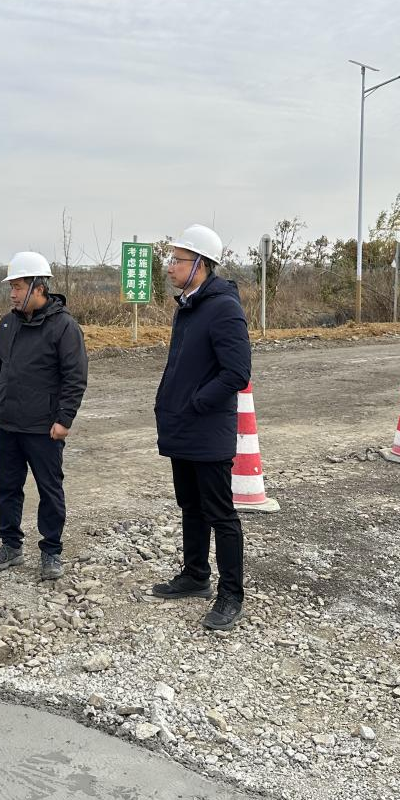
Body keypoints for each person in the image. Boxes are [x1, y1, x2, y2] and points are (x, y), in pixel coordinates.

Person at [149, 224, 252, 631]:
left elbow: (236, 373)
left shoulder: (223, 307)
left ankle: (231, 594)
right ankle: (195, 576)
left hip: (207, 430)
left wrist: (196, 403)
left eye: (178, 260)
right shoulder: (188, 306)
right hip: (182, 427)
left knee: (220, 514)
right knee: (190, 506)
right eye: (171, 259)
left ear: (201, 265)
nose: (170, 266)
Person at [0, 251, 89, 581]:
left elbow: (75, 377)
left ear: (38, 288)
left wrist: (64, 419)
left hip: (44, 427)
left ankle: (51, 551)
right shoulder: (7, 323)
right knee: (7, 488)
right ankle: (10, 546)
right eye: (11, 287)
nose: (12, 294)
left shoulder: (64, 327)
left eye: (17, 287)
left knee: (49, 490)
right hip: (8, 423)